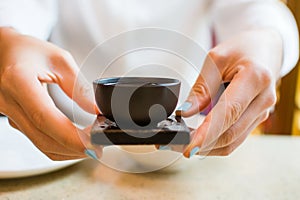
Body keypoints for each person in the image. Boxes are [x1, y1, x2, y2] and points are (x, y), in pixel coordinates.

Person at [0, 0, 298, 161]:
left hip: (191, 152)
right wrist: (8, 40)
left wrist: (269, 40)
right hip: (60, 140)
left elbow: (257, 8)